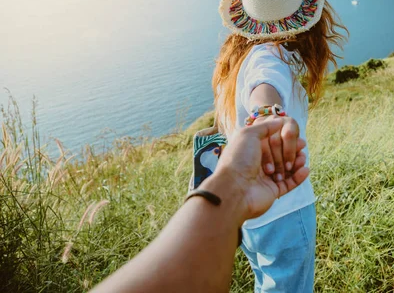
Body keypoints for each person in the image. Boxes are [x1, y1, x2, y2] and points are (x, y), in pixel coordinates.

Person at [213, 0, 346, 292]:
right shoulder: (269, 59)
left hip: (254, 216)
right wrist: (267, 116)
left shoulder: (237, 63)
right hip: (284, 211)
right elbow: (265, 90)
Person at [92, 117, 309, 293]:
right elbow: (265, 83)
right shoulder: (270, 61)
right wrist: (268, 113)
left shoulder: (228, 73)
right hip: (273, 209)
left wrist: (232, 189)